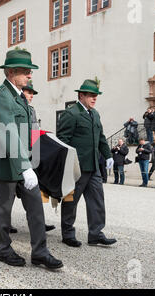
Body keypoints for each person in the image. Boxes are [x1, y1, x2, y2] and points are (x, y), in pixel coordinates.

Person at [0, 49, 63, 269]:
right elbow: (8, 132)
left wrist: (31, 162)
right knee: (3, 210)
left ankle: (40, 252)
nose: (30, 75)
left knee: (36, 207)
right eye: (26, 72)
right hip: (5, 163)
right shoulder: (1, 96)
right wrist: (25, 166)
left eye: (30, 71)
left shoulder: (19, 97)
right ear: (11, 72)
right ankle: (4, 249)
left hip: (24, 162)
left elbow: (27, 133)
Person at [57, 79, 116, 248]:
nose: (94, 98)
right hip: (76, 166)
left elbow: (101, 137)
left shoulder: (95, 114)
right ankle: (68, 233)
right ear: (81, 95)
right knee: (71, 200)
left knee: (97, 200)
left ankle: (96, 234)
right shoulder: (71, 113)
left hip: (93, 165)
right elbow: (63, 140)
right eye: (91, 95)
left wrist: (108, 155)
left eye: (96, 95)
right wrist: (67, 164)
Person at [21, 81, 56, 233]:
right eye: (29, 92)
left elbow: (34, 130)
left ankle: (38, 223)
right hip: (15, 153)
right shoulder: (14, 106)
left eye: (32, 94)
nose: (31, 96)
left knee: (33, 193)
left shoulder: (32, 110)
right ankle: (3, 223)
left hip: (30, 153)